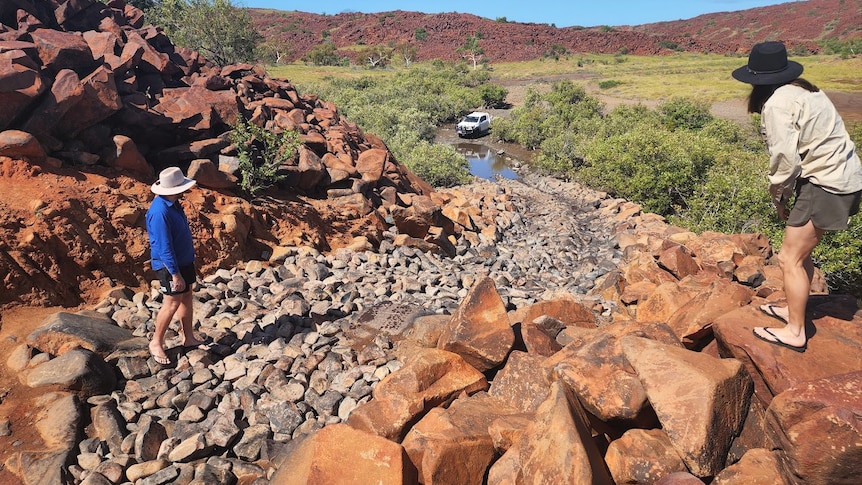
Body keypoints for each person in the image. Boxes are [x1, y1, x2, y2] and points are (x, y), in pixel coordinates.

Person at [732, 41, 862, 352]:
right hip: (839, 176)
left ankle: (795, 331)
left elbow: (785, 159)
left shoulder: (777, 103)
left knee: (789, 257)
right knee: (801, 254)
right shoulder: (806, 89)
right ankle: (794, 311)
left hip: (825, 183)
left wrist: (778, 195)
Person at [146, 167, 203, 365]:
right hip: (170, 265)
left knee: (186, 295)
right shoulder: (160, 212)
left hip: (183, 261)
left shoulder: (174, 204)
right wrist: (175, 274)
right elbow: (163, 246)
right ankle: (156, 342)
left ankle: (188, 337)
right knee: (171, 302)